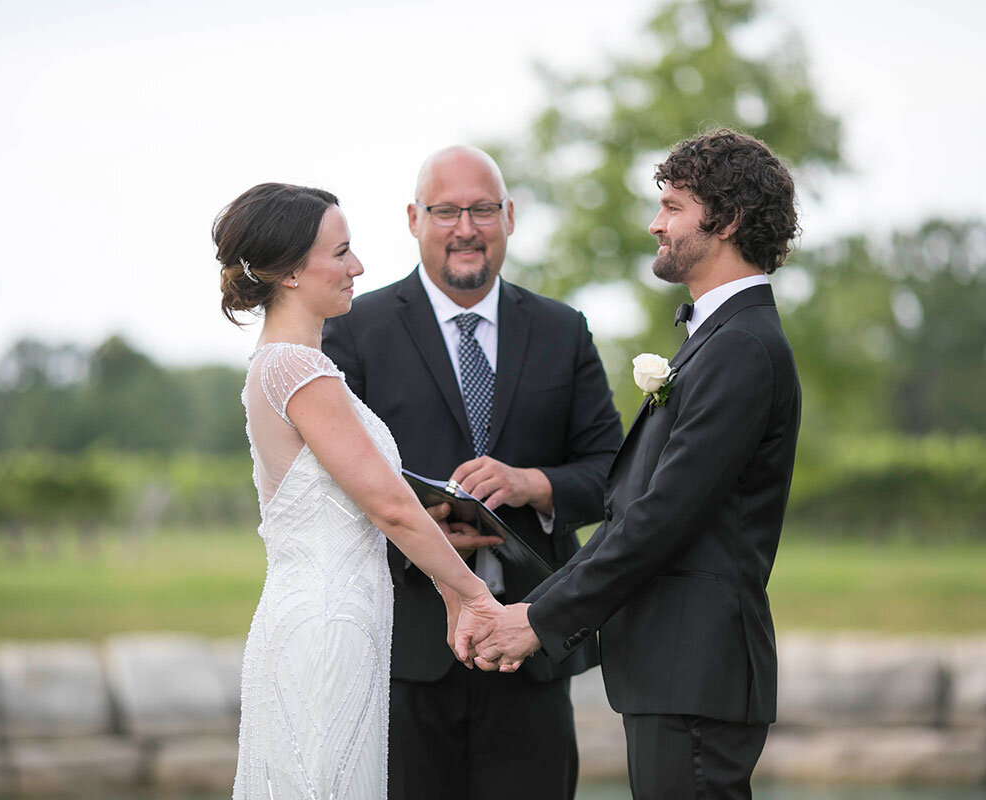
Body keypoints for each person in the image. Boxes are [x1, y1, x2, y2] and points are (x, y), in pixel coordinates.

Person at [473, 129, 803, 800]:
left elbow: (659, 520)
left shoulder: (741, 348)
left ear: (728, 218)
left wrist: (534, 620)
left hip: (695, 675)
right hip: (673, 672)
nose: (656, 223)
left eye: (674, 205)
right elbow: (641, 513)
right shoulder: (715, 342)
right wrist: (529, 609)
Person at [322, 146, 623, 800]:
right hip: (405, 651)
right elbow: (326, 483)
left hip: (531, 646)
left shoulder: (562, 330)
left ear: (509, 216)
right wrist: (419, 526)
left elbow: (613, 474)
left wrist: (531, 484)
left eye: (482, 209)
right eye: (447, 211)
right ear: (413, 218)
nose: (466, 228)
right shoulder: (355, 328)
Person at [213, 182, 504, 800]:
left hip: (339, 614)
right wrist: (473, 595)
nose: (359, 267)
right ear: (290, 271)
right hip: (326, 622)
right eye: (342, 252)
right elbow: (390, 505)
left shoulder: (290, 363)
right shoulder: (299, 369)